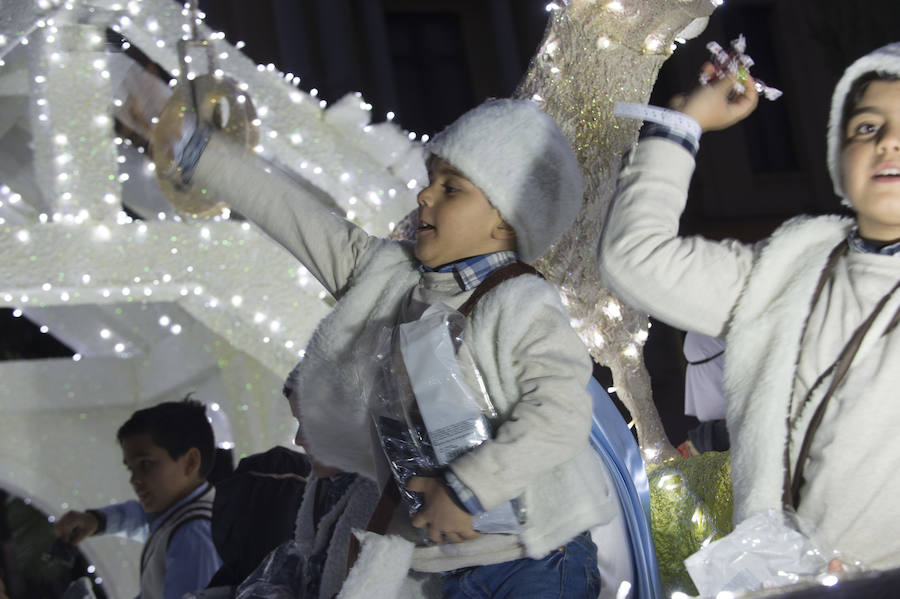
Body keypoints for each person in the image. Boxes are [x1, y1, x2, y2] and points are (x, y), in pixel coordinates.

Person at [161, 97, 620, 597]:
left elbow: (560, 415)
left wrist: (467, 490)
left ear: (505, 220)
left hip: (535, 560)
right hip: (443, 568)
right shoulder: (386, 276)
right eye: (430, 180)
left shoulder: (522, 301)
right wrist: (197, 152)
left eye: (452, 188)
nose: (425, 196)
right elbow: (297, 218)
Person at [598, 43, 900, 568]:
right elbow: (634, 259)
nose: (890, 143)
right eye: (867, 128)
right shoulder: (791, 267)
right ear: (838, 155)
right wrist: (684, 123)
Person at [54, 398, 223, 599]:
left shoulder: (192, 536)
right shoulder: (183, 517)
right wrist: (97, 521)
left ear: (191, 462)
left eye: (145, 464)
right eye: (130, 468)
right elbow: (143, 519)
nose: (135, 480)